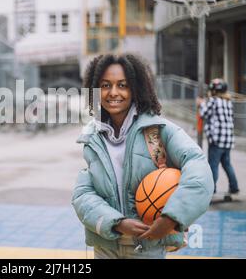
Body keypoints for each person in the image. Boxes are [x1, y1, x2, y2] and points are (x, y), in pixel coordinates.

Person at [72, 54, 214, 259]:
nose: (113, 92)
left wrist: (172, 217)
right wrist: (117, 223)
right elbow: (83, 194)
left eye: (122, 85)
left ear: (135, 88)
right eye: (105, 85)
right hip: (105, 247)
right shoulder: (92, 137)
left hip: (147, 247)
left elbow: (199, 168)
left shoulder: (157, 131)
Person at [197, 78, 240, 195]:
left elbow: (203, 114)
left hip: (216, 140)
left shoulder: (213, 100)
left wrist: (201, 104)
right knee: (227, 164)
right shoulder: (228, 102)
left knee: (213, 165)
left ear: (213, 91)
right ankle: (234, 187)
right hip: (228, 140)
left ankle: (211, 189)